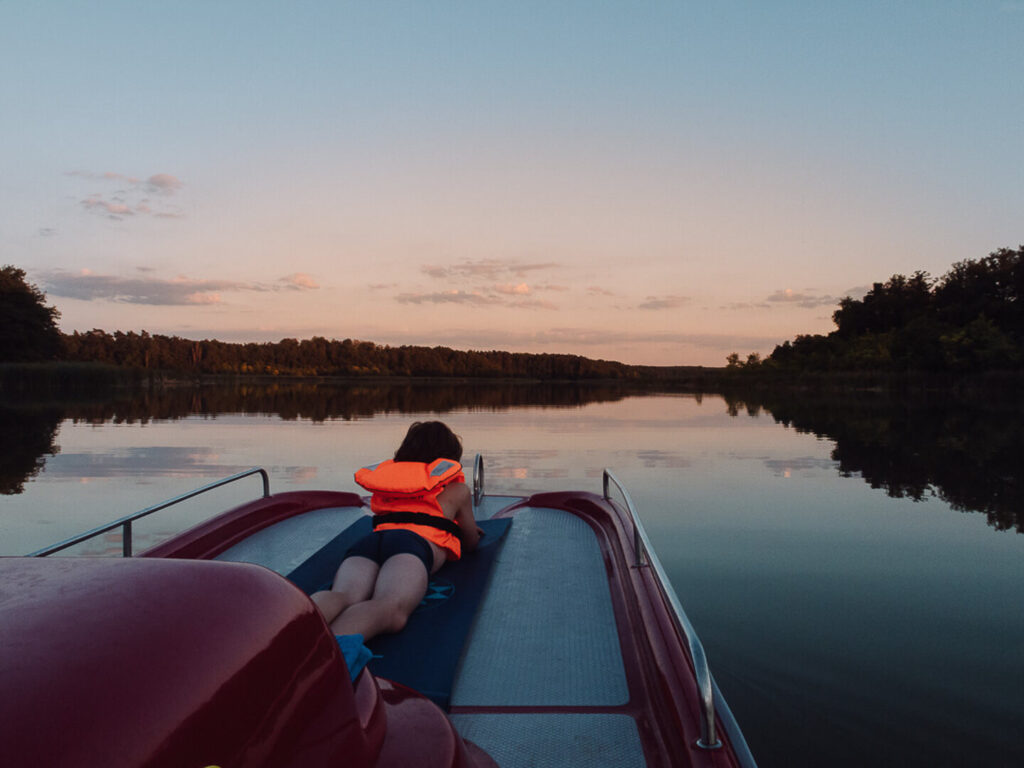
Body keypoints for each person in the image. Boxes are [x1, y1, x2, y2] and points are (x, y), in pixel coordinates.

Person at [310, 421, 482, 642]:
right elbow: (471, 543)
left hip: (372, 542)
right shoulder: (457, 490)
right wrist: (462, 528)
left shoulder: (389, 487)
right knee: (390, 607)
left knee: (343, 594)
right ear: (447, 459)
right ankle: (328, 656)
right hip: (410, 547)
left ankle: (294, 632)